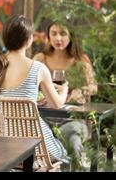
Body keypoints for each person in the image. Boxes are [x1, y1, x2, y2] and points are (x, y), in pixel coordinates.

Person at [0, 15, 69, 163]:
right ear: (29, 40)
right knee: (65, 151)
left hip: (0, 145)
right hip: (35, 147)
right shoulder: (38, 68)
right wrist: (64, 90)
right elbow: (57, 105)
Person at [33, 22, 97, 158]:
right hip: (45, 118)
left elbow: (93, 87)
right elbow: (28, 83)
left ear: (71, 36)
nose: (58, 38)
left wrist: (81, 91)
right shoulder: (40, 59)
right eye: (54, 34)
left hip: (74, 120)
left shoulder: (80, 60)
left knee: (72, 134)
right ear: (48, 37)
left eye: (63, 34)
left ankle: (76, 166)